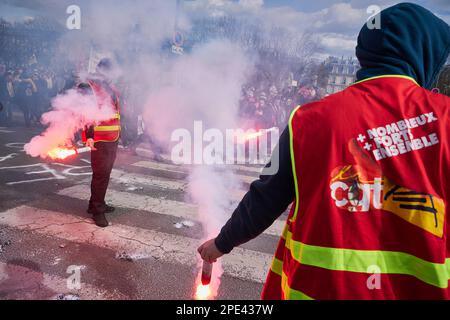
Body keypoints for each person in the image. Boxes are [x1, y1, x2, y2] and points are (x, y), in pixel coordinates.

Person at [198, 3, 450, 299]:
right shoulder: (444, 118)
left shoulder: (308, 119)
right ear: (426, 53)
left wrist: (220, 244)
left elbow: (265, 198)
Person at [80, 58, 121, 228]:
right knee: (100, 175)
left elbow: (115, 112)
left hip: (112, 138)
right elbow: (85, 112)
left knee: (104, 174)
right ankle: (97, 211)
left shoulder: (110, 87)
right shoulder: (89, 87)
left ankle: (96, 204)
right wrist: (89, 135)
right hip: (99, 138)